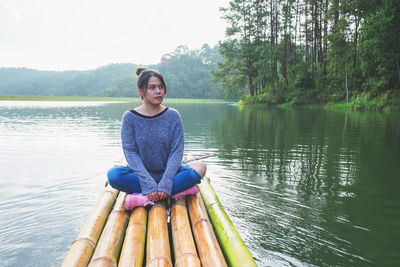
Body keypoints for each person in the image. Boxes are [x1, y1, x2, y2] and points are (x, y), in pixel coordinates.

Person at [107, 67, 207, 210]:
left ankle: (144, 197)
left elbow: (176, 152)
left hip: (170, 174)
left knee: (200, 167)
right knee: (114, 175)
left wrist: (166, 181)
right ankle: (174, 192)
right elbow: (130, 152)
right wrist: (147, 182)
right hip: (141, 176)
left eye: (161, 87)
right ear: (141, 91)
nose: (158, 91)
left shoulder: (173, 116)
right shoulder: (129, 117)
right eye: (152, 87)